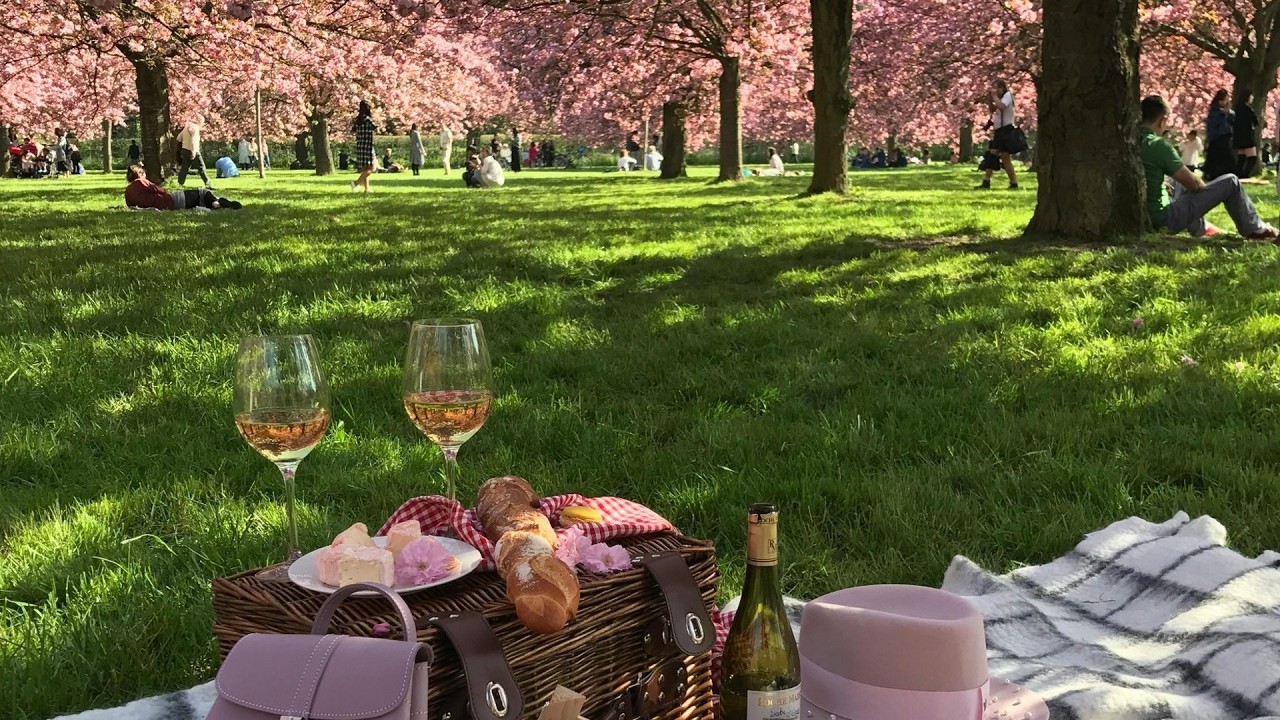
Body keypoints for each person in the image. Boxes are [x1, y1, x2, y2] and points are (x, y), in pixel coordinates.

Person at [1140, 95, 1276, 239]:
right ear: (1162, 120)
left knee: (1177, 183)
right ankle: (1255, 229)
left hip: (1144, 213)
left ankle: (1202, 228)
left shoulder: (1130, 142)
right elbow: (1194, 185)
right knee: (1231, 182)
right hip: (1162, 219)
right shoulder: (1158, 145)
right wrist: (1208, 190)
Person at [123, 164, 242, 210]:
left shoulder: (128, 191)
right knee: (202, 192)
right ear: (140, 174)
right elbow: (161, 190)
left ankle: (216, 202)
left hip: (168, 205)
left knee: (199, 200)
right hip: (169, 201)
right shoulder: (141, 182)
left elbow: (131, 206)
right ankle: (216, 203)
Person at [976, 79, 1019, 189]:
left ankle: (987, 181)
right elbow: (993, 109)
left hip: (1006, 130)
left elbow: (1002, 106)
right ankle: (1013, 182)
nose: (995, 90)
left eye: (996, 88)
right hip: (1000, 131)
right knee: (1003, 157)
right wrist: (990, 100)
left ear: (1002, 88)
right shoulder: (999, 98)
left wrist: (994, 97)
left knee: (995, 155)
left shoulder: (1007, 96)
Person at [1203, 89, 1234, 180]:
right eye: (1223, 100)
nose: (1225, 102)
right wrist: (1224, 113)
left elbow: (1232, 121)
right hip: (1216, 138)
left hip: (1226, 138)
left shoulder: (1228, 112)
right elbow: (1214, 124)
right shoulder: (1214, 112)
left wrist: (1228, 113)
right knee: (1216, 160)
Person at [176, 115, 211, 187]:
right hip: (193, 150)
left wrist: (185, 141)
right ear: (199, 121)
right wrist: (193, 152)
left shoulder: (187, 127)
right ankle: (207, 183)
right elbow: (193, 141)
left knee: (185, 168)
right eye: (202, 122)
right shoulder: (195, 128)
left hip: (185, 149)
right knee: (201, 166)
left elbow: (179, 138)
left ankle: (180, 183)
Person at [351, 100, 376, 193]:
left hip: (360, 146)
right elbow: (375, 127)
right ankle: (356, 183)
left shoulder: (357, 120)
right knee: (372, 168)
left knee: (365, 168)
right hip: (368, 146)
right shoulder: (367, 120)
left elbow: (353, 130)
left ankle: (367, 188)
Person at [1234, 90, 1259, 178]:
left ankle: (1238, 175)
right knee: (1252, 158)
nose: (1252, 98)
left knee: (1242, 157)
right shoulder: (1248, 110)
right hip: (1247, 137)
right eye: (1251, 96)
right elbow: (1255, 122)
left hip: (1238, 137)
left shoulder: (1237, 109)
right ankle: (1245, 175)